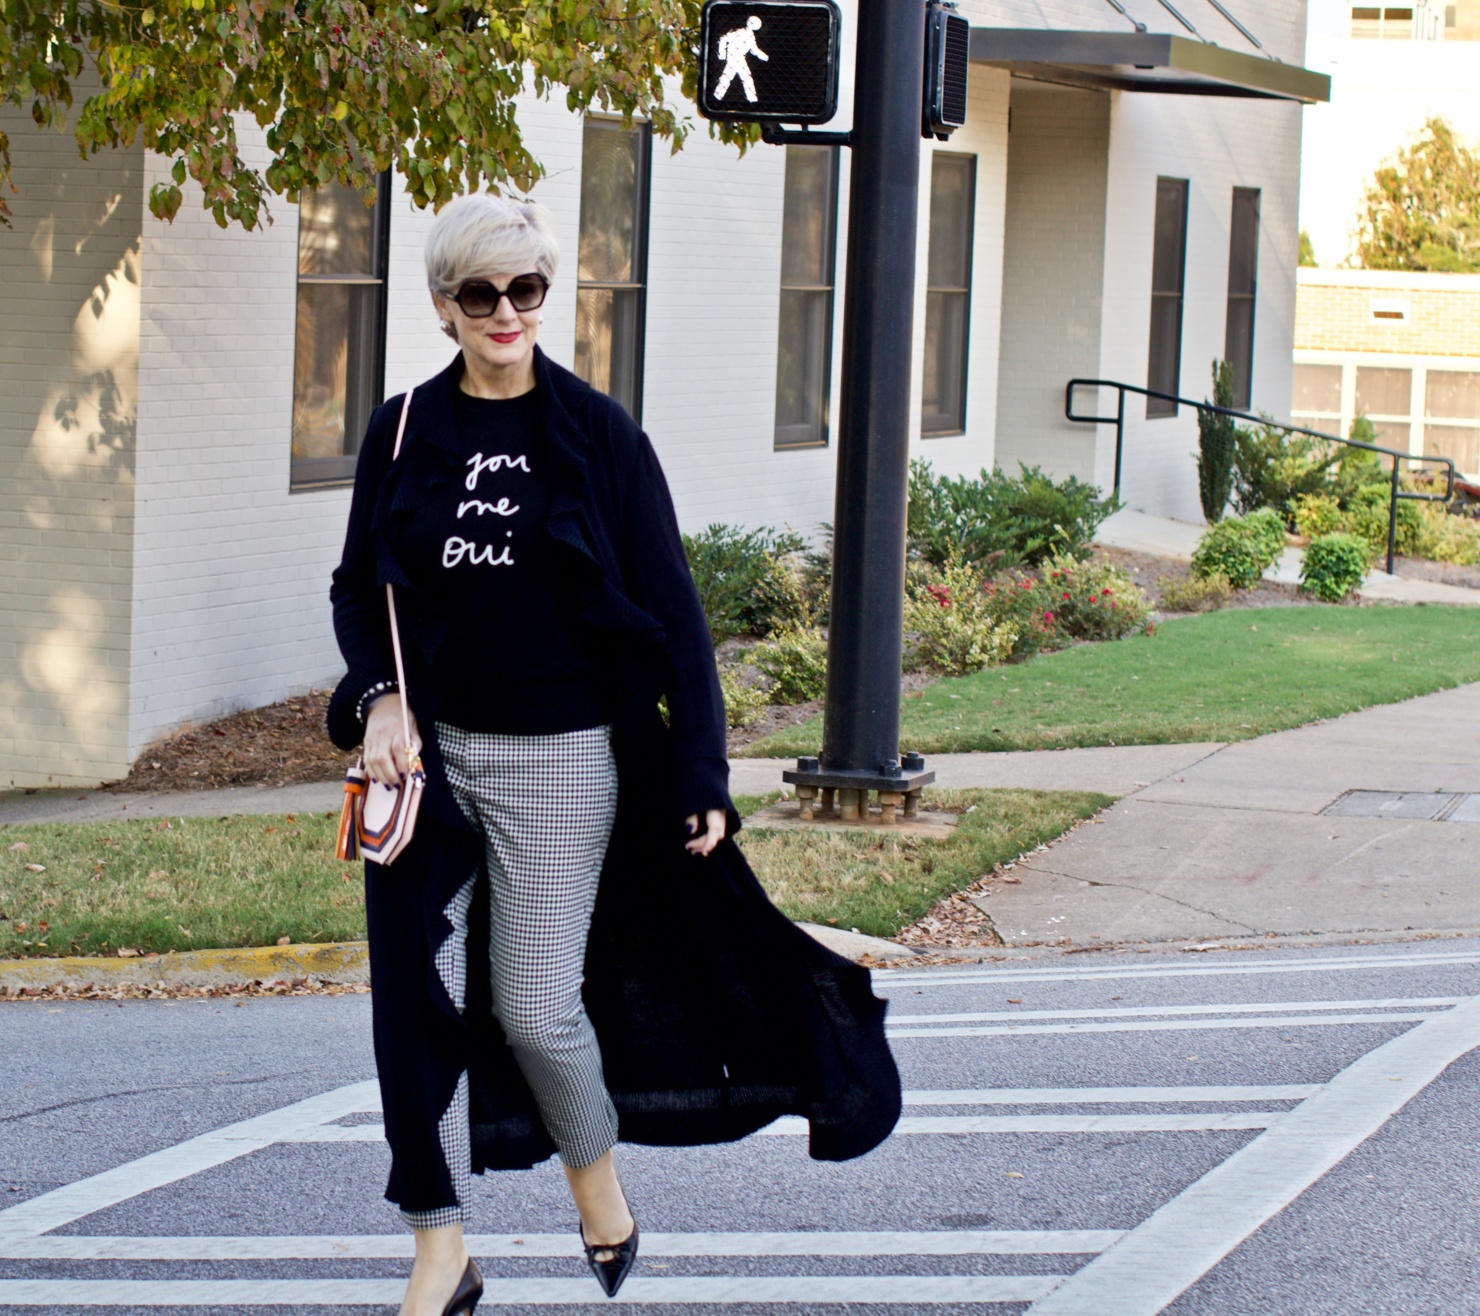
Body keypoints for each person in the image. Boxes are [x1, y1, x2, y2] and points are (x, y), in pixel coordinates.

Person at [327, 193, 899, 1316]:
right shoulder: (400, 432)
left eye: (526, 289)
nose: (505, 311)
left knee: (536, 1008)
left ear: (547, 294)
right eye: (481, 293)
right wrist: (377, 695)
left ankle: (599, 1188)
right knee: (413, 1003)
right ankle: (438, 1245)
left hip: (562, 758)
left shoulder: (598, 435)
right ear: (444, 306)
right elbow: (360, 590)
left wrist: (702, 773)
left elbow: (674, 614)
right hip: (427, 763)